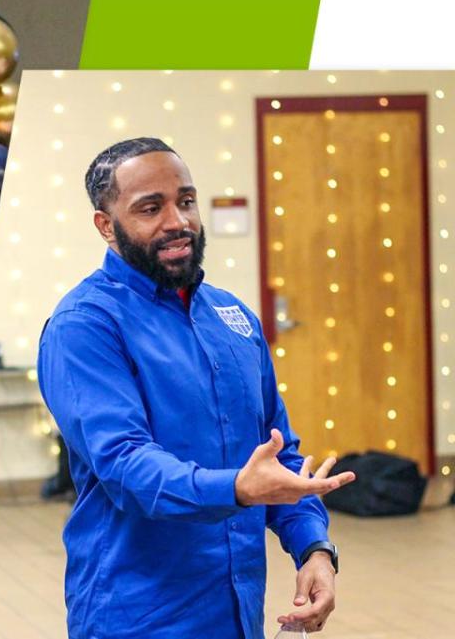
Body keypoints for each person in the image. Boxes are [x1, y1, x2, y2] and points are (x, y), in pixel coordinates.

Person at [37, 138, 356, 639]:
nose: (177, 221)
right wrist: (235, 489)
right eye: (150, 207)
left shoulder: (232, 317)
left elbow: (278, 455)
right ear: (106, 226)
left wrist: (314, 547)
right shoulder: (85, 324)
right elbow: (125, 465)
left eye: (185, 201)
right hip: (138, 614)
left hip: (236, 610)